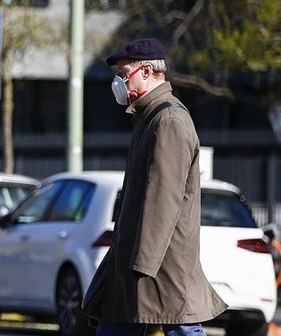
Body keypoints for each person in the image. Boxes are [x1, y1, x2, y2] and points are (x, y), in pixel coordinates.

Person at [80, 38, 228, 336]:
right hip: (138, 261)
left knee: (181, 326)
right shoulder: (150, 117)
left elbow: (163, 198)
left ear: (146, 71)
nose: (118, 83)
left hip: (158, 264)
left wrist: (142, 263)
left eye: (123, 74)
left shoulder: (168, 119)